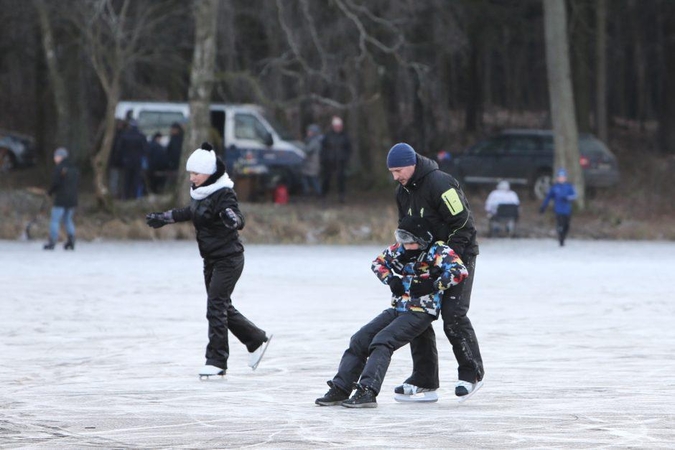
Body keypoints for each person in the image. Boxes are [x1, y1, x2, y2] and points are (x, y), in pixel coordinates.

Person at [145, 142, 272, 377]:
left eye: (196, 173)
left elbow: (236, 214)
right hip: (211, 259)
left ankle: (216, 361)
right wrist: (165, 217)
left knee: (215, 307)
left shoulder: (223, 193)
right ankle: (255, 340)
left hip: (229, 259)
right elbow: (189, 212)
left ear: (209, 172)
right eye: (190, 173)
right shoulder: (200, 193)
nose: (192, 178)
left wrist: (233, 218)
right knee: (222, 306)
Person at [315, 216, 468, 408]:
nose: (404, 245)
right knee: (360, 339)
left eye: (409, 241)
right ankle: (341, 388)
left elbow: (459, 271)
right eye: (401, 240)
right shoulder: (399, 249)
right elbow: (377, 263)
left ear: (422, 240)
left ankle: (368, 390)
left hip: (421, 310)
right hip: (398, 308)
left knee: (383, 341)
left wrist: (433, 284)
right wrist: (391, 280)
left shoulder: (438, 251)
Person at [386, 142, 484, 400]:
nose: (396, 177)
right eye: (392, 172)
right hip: (424, 260)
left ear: (412, 164)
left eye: (398, 171)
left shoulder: (441, 183)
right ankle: (424, 378)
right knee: (416, 312)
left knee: (453, 315)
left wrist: (447, 259)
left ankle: (470, 372)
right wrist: (403, 263)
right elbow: (406, 228)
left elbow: (463, 223)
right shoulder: (402, 192)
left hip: (458, 256)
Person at [44, 147, 79, 250]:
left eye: (55, 156)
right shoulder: (74, 168)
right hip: (72, 198)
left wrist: (49, 192)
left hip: (61, 198)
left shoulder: (59, 168)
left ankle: (52, 241)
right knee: (68, 219)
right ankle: (71, 240)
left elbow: (56, 183)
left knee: (55, 220)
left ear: (60, 157)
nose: (54, 158)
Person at [540, 168, 577, 246]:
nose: (561, 179)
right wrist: (543, 206)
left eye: (563, 177)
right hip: (558, 210)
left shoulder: (569, 187)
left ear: (565, 178)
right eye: (560, 177)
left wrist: (567, 198)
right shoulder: (554, 188)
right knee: (560, 224)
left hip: (567, 210)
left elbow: (574, 196)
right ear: (557, 178)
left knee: (566, 225)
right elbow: (548, 197)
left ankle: (563, 235)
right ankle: (561, 238)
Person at [114, 119, 148, 200]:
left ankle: (126, 195)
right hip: (137, 160)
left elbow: (119, 149)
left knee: (126, 179)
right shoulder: (141, 136)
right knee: (136, 178)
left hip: (127, 160)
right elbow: (146, 149)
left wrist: (121, 159)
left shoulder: (124, 135)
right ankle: (135, 195)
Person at [320, 116, 351, 203]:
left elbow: (348, 149)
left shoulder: (345, 136)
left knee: (341, 179)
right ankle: (323, 195)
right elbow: (323, 149)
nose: (338, 128)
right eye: (336, 126)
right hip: (329, 161)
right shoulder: (328, 136)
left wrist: (345, 158)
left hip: (341, 161)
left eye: (339, 126)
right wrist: (324, 158)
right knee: (326, 179)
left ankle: (342, 196)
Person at [301, 124, 322, 196]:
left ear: (314, 132)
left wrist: (301, 147)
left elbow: (308, 150)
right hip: (310, 162)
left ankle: (318, 192)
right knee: (306, 177)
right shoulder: (311, 140)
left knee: (313, 178)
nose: (308, 132)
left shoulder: (314, 141)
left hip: (313, 162)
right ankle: (307, 192)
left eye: (309, 131)